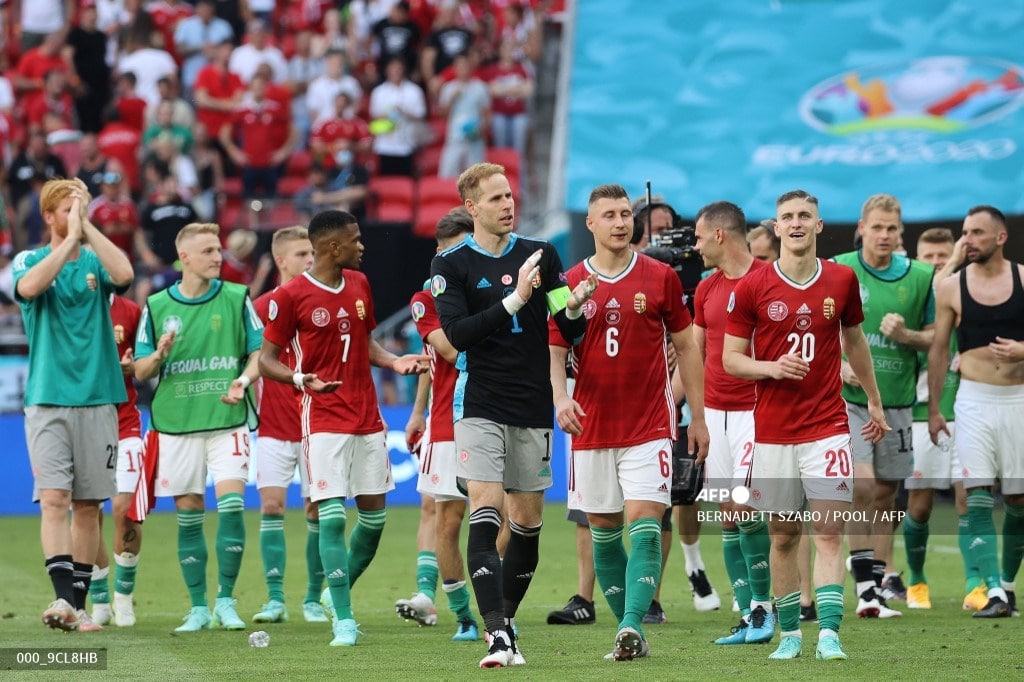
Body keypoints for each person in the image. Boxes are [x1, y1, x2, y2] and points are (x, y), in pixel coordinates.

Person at [430, 162, 596, 668]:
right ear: (472, 208)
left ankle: (505, 616)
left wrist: (575, 309)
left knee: (527, 524)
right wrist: (517, 298)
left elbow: (569, 327)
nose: (509, 204)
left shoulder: (540, 252)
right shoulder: (451, 265)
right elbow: (457, 337)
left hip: (532, 405)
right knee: (485, 511)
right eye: (497, 198)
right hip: (479, 402)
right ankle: (498, 635)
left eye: (510, 196)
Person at [722, 189, 889, 661]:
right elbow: (731, 360)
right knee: (782, 535)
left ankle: (830, 634)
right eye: (787, 217)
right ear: (776, 228)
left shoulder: (841, 279)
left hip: (827, 426)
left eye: (805, 216)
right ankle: (791, 634)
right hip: (772, 430)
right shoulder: (753, 287)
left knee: (829, 532)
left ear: (818, 226)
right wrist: (772, 367)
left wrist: (873, 401)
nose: (795, 223)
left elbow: (855, 343)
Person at [550, 184, 709, 660]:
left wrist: (696, 416)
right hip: (591, 425)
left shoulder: (660, 277)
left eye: (625, 214)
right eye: (610, 215)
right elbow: (556, 351)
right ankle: (627, 625)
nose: (621, 222)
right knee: (603, 529)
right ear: (591, 224)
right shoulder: (568, 282)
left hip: (650, 424)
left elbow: (686, 346)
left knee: (644, 522)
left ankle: (632, 626)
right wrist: (560, 398)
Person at [259, 209, 429, 646]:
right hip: (323, 420)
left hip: (369, 419)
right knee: (332, 520)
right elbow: (266, 359)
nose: (362, 245)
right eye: (355, 240)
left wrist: (394, 360)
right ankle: (345, 620)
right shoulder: (292, 296)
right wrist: (300, 379)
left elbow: (366, 339)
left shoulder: (359, 284)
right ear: (333, 247)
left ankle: (337, 596)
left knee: (373, 524)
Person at [13, 178, 134, 631]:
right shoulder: (30, 258)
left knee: (88, 506)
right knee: (54, 499)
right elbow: (28, 288)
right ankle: (65, 600)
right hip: (47, 398)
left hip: (99, 396)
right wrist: (68, 243)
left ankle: (74, 606)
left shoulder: (95, 259)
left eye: (81, 207)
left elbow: (123, 275)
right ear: (48, 216)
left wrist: (87, 231)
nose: (76, 216)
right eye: (68, 209)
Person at [134, 222, 263, 633]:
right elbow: (139, 370)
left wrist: (242, 381)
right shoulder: (155, 306)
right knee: (188, 515)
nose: (217, 257)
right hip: (176, 423)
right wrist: (158, 355)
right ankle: (197, 607)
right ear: (184, 258)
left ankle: (225, 599)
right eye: (208, 251)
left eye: (218, 249)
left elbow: (260, 353)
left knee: (231, 507)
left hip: (227, 420)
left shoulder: (237, 297)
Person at [834, 194, 934, 618]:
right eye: (877, 227)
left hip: (897, 403)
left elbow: (937, 338)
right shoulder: (840, 269)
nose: (884, 235)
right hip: (851, 401)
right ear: (861, 227)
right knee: (861, 486)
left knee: (886, 493)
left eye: (892, 228)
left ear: (901, 232)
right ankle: (867, 590)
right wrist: (839, 365)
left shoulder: (922, 276)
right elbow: (819, 329)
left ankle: (874, 575)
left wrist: (908, 336)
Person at [928, 205, 1024, 618]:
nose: (969, 240)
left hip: (1018, 398)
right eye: (965, 233)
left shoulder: (1023, 278)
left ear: (1000, 238)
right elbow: (938, 348)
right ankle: (993, 594)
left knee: (1018, 499)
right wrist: (935, 408)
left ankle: (1006, 585)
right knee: (978, 493)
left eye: (978, 233)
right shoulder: (950, 287)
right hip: (973, 401)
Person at [691, 201, 776, 645]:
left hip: (756, 412)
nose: (696, 245)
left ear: (720, 235)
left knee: (746, 508)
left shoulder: (770, 280)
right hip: (716, 414)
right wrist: (689, 414)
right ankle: (748, 613)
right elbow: (695, 355)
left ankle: (764, 610)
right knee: (726, 513)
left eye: (700, 236)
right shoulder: (706, 289)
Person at [397, 206, 479, 642]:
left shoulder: (493, 284)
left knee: (505, 520)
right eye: (447, 250)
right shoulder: (427, 297)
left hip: (501, 415)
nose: (454, 257)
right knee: (442, 514)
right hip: (448, 422)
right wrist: (417, 411)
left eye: (463, 247)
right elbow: (441, 354)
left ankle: (496, 603)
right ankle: (447, 605)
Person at [249, 226, 331, 624]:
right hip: (274, 426)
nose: (310, 261)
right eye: (301, 254)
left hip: (317, 424)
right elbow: (253, 357)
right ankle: (275, 598)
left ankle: (314, 598)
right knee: (271, 505)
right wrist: (243, 384)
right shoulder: (263, 306)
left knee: (316, 510)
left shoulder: (327, 302)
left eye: (311, 254)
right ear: (281, 260)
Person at [903, 228, 984, 610]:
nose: (937, 263)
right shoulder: (914, 299)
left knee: (968, 498)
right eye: (930, 257)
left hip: (967, 411)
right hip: (922, 414)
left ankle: (975, 585)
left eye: (943, 256)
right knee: (920, 505)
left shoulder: (972, 294)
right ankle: (916, 580)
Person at [89, 294, 144, 627]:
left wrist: (134, 365)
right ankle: (98, 599)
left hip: (125, 424)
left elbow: (148, 362)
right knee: (88, 513)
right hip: (82, 425)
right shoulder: (70, 305)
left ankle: (123, 596)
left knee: (124, 509)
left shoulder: (130, 311)